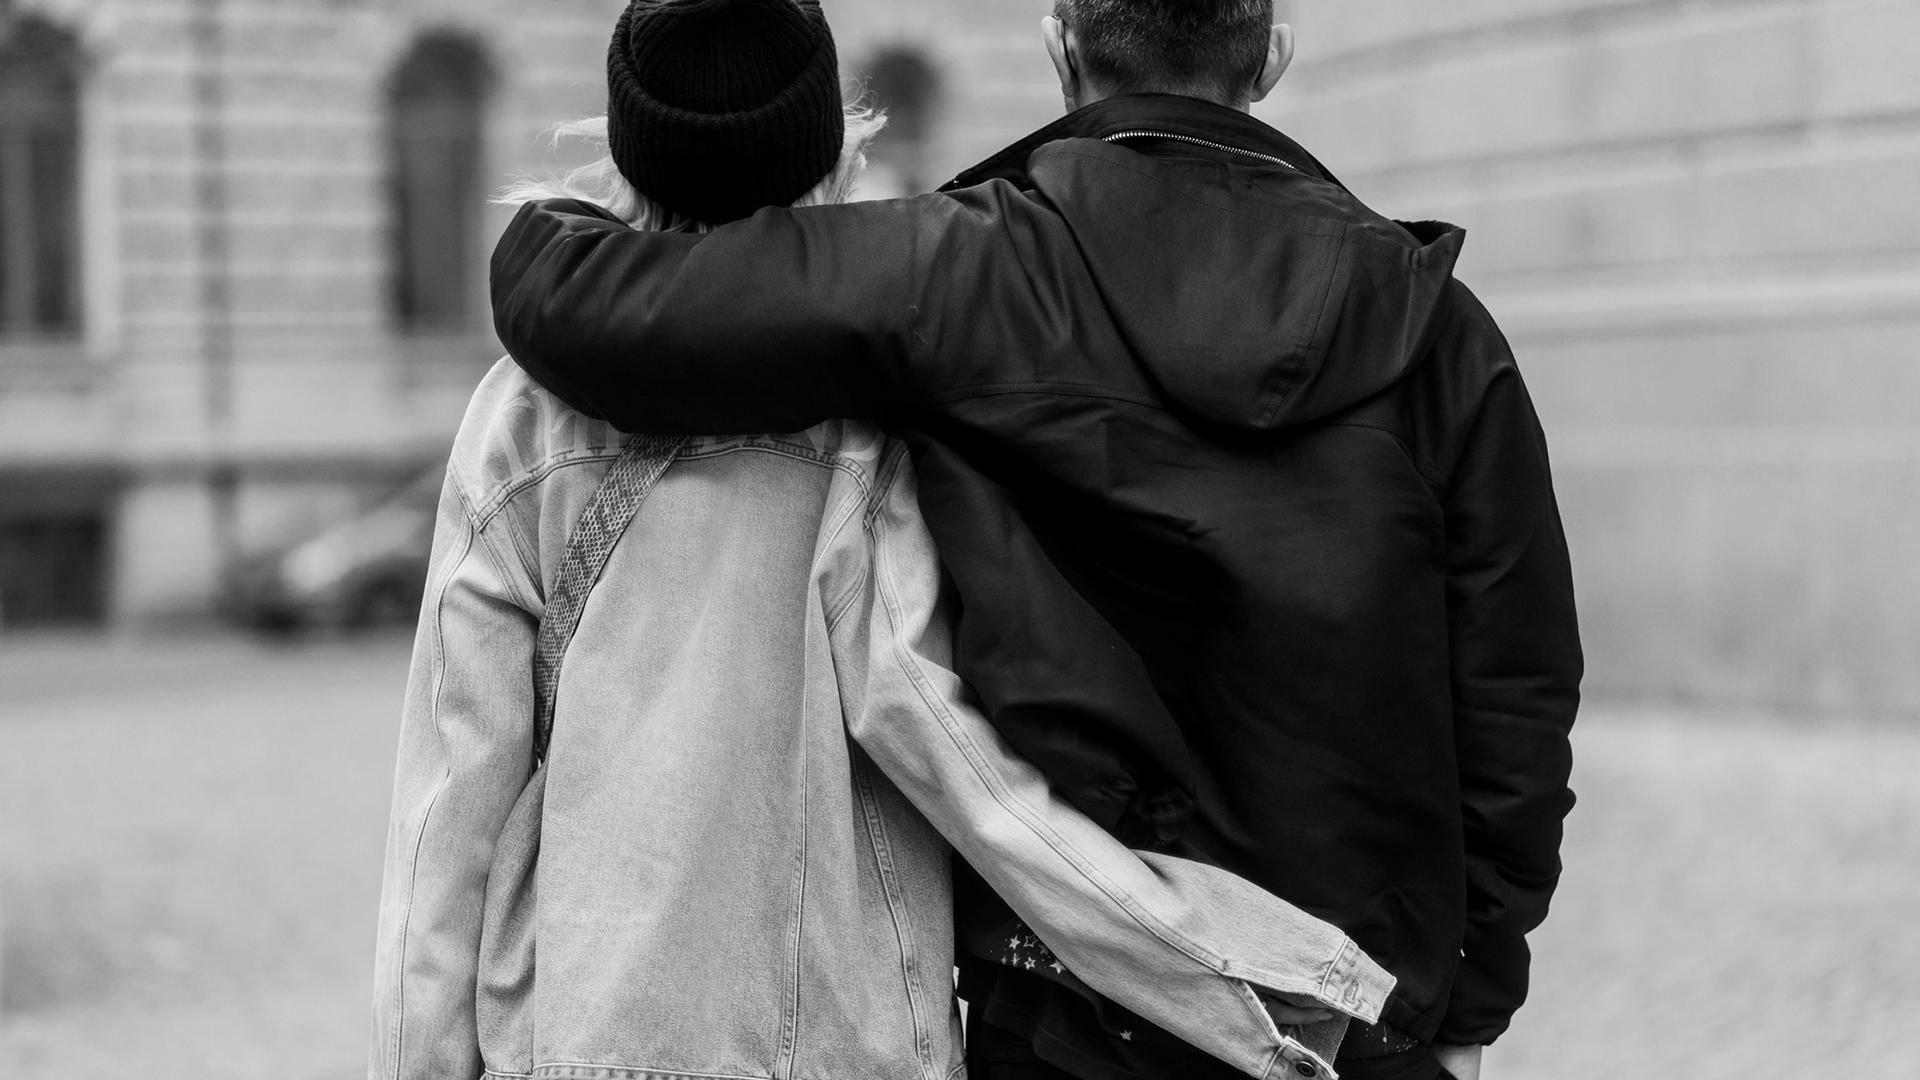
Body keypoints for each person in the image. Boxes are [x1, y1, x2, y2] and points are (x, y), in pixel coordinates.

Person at [488, 3, 1586, 1080]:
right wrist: (1471, 1002)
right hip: (1354, 1008)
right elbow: (1516, 697)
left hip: (1075, 1001)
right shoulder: (1440, 332)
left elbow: (623, 310)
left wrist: (544, 237)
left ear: (1061, 48)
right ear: (1272, 59)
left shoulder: (970, 264)